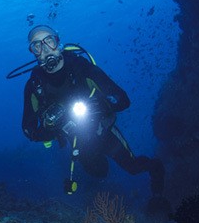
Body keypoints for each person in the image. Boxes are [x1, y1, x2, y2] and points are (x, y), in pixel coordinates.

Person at [21, 24, 168, 211]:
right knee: (100, 173)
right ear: (33, 53)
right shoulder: (35, 85)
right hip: (77, 142)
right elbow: (29, 130)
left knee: (133, 167)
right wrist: (54, 128)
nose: (45, 49)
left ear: (58, 42)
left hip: (103, 132)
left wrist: (101, 107)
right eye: (37, 46)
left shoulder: (81, 67)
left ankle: (157, 183)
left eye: (49, 41)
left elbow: (123, 100)